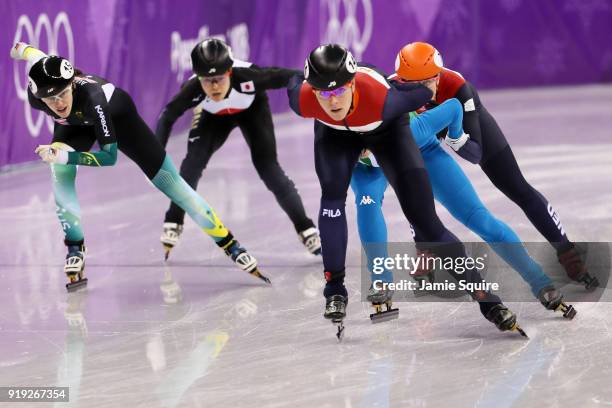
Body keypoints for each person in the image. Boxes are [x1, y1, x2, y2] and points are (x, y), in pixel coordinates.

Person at [287, 43, 526, 339]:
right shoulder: (305, 101)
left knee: (428, 225)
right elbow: (292, 80)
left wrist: (451, 113)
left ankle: (487, 299)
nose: (333, 101)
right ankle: (351, 285)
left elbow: (435, 97)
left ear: (352, 85)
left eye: (339, 92)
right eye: (324, 93)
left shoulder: (386, 100)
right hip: (351, 151)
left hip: (389, 134)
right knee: (348, 201)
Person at [10, 42, 270, 290]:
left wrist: (64, 155)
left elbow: (109, 158)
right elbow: (37, 57)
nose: (58, 103)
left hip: (119, 120)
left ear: (71, 85)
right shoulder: (38, 92)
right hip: (76, 128)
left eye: (63, 93)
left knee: (172, 186)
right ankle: (75, 247)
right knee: (60, 171)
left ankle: (230, 244)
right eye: (50, 99)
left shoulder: (94, 97)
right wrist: (23, 50)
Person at [394, 42, 598, 290]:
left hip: (460, 124)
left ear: (438, 75)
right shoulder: (391, 89)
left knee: (516, 187)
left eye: (429, 81)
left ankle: (568, 252)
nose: (424, 90)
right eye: (416, 84)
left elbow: (476, 154)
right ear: (402, 81)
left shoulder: (457, 87)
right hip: (423, 130)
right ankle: (424, 247)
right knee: (410, 182)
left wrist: (455, 137)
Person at [352, 98, 576, 321]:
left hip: (421, 150)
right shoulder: (341, 144)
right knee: (367, 204)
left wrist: (456, 138)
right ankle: (381, 279)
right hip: (367, 171)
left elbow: (453, 107)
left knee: (480, 220)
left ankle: (540, 282)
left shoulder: (415, 130)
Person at [156, 38, 320, 259]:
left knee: (268, 169)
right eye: (208, 81)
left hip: (251, 111)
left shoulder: (249, 76)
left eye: (219, 79)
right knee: (191, 166)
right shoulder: (191, 89)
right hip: (212, 118)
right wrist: (156, 156)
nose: (214, 86)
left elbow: (291, 76)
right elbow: (167, 117)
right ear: (199, 78)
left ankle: (305, 227)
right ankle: (174, 219)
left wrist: (316, 87)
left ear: (230, 72)